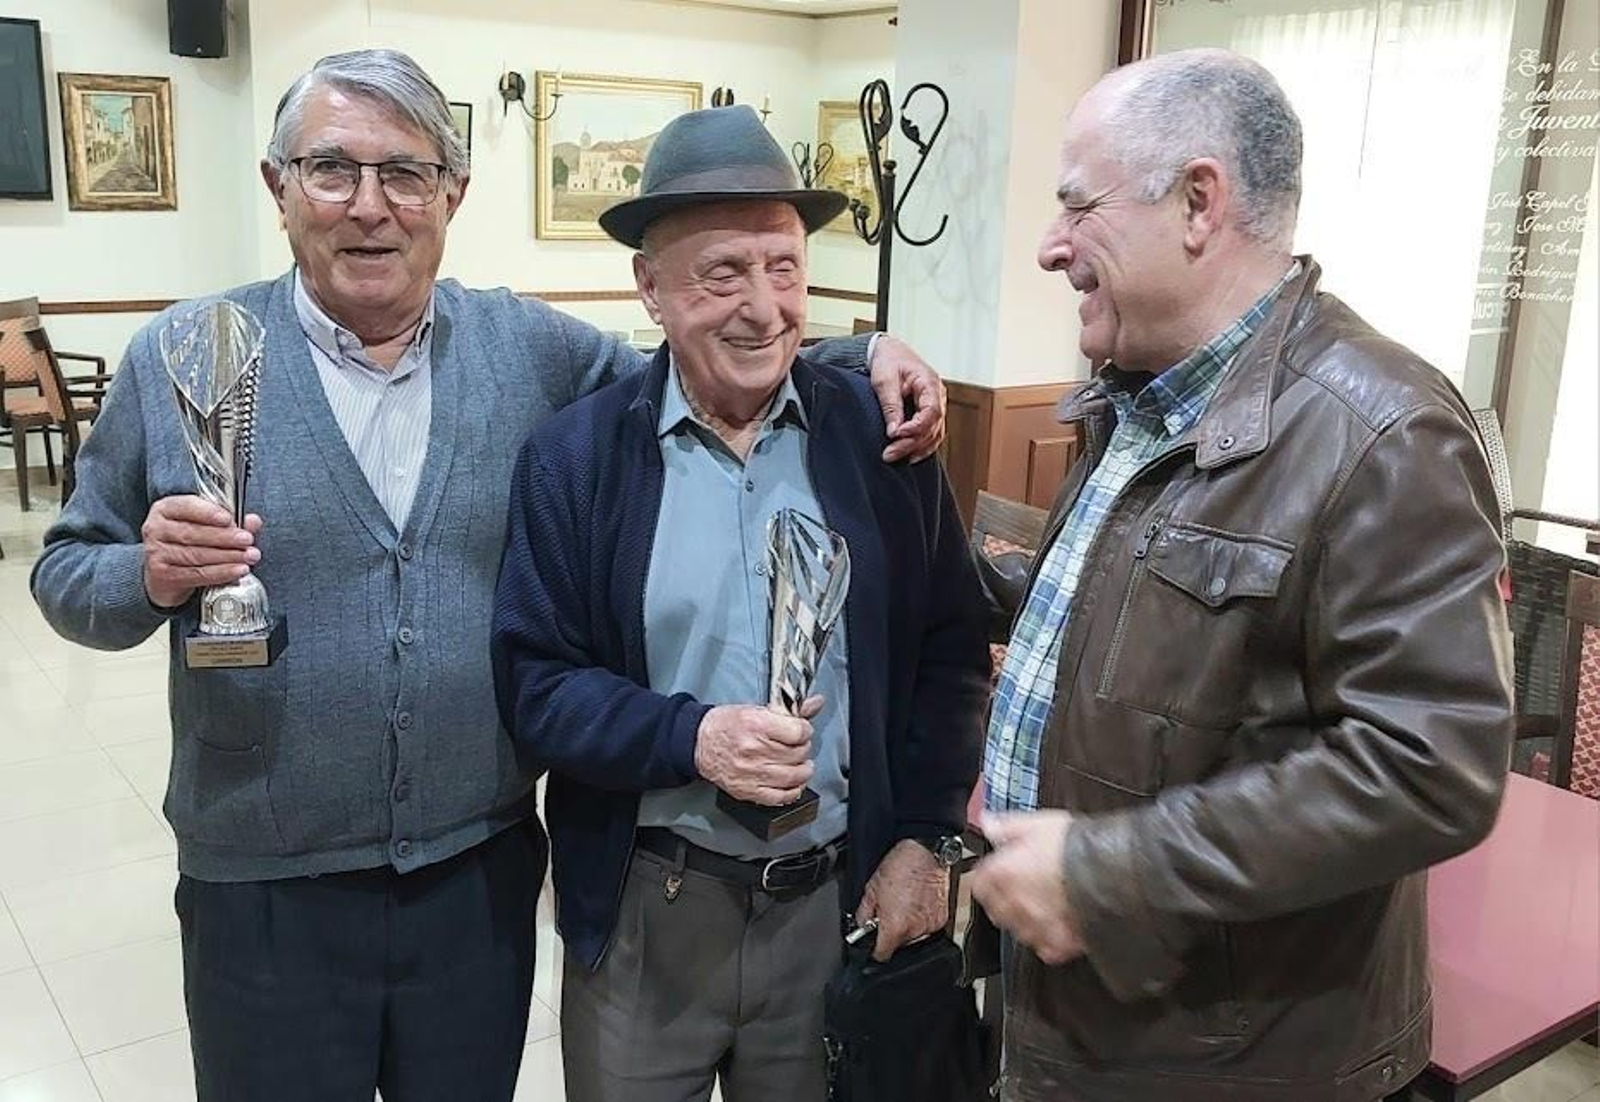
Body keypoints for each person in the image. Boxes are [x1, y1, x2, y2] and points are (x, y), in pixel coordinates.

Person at [28, 50, 947, 1102]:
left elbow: (700, 351)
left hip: (473, 879)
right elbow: (65, 574)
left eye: (406, 174)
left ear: (451, 195)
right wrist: (144, 574)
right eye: (331, 169)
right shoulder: (187, 354)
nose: (370, 206)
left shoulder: (525, 350)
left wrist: (859, 353)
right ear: (278, 186)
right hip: (264, 883)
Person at [967, 48, 1513, 1102]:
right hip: (1085, 1030)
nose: (1048, 247)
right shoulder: (1133, 395)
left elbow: (1429, 765)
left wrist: (1109, 871)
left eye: (1076, 206)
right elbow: (1155, 637)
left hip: (1235, 1067)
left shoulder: (1383, 431)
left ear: (1197, 202)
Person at [490, 105, 991, 1102]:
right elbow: (535, 685)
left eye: (785, 267)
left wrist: (926, 839)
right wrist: (694, 738)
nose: (762, 307)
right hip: (645, 912)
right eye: (722, 273)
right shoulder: (577, 459)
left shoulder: (881, 440)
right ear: (651, 288)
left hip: (833, 906)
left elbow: (950, 650)